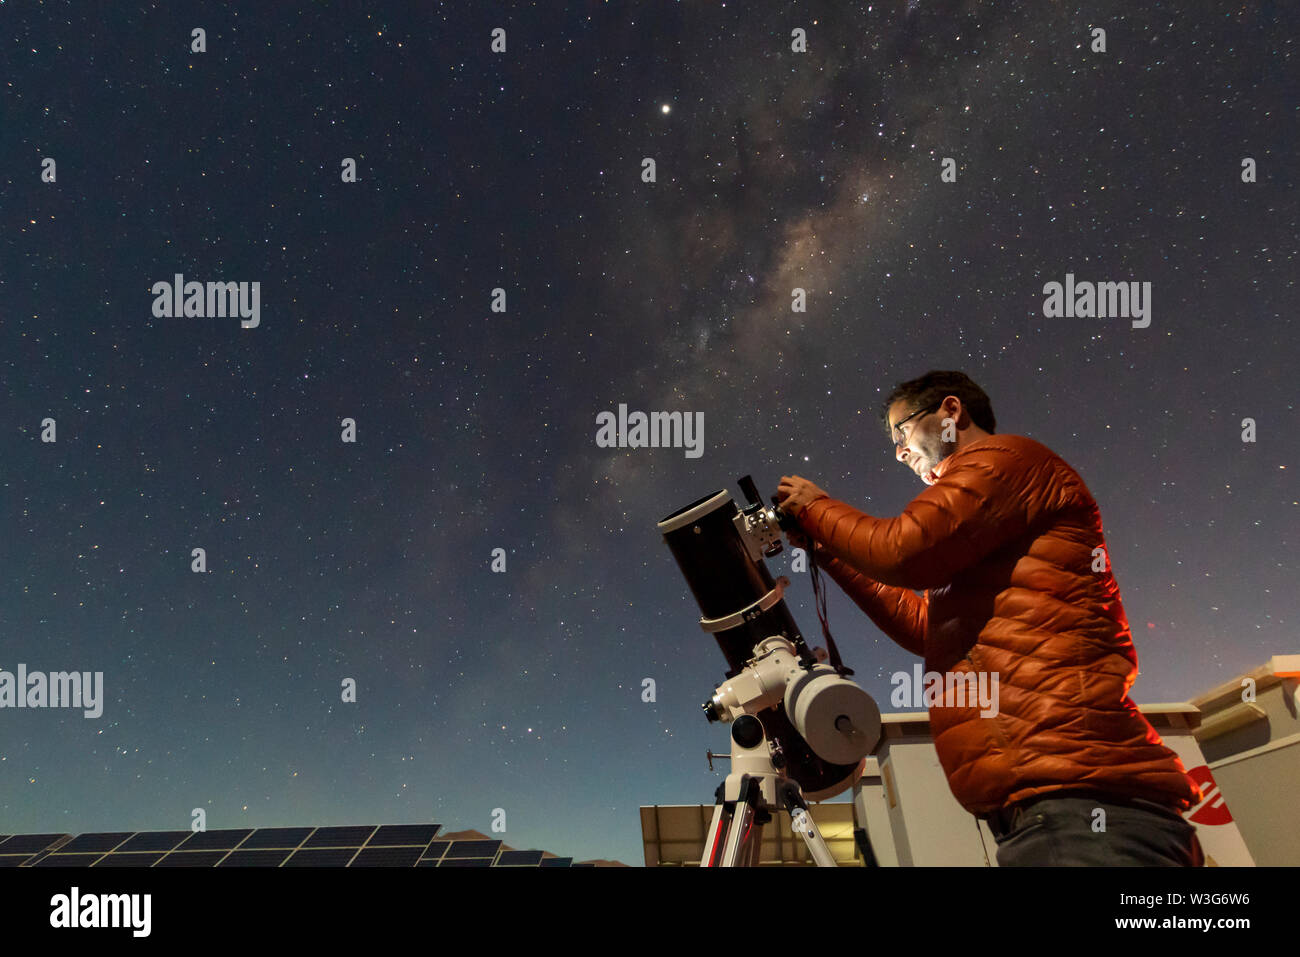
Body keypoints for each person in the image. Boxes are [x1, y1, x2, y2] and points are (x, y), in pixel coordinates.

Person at [775, 370, 1205, 866]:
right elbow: (925, 626)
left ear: (951, 412)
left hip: (1083, 807)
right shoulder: (982, 512)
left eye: (902, 431)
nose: (898, 451)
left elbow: (902, 550)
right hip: (1052, 809)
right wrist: (829, 551)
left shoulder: (1005, 462)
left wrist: (816, 507)